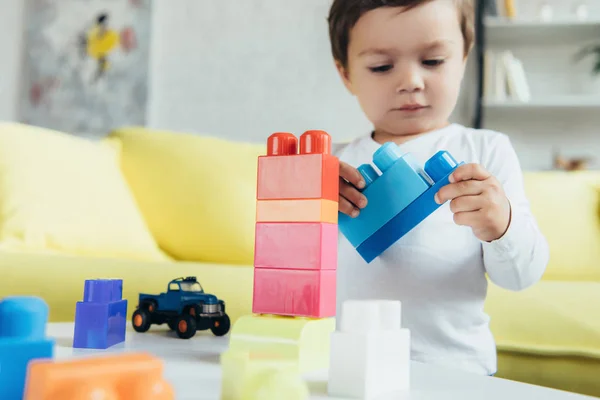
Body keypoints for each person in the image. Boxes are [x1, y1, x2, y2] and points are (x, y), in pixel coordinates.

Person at [327, 0, 549, 376]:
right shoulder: (334, 166)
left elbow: (520, 276)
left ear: (464, 57)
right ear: (346, 74)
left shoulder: (486, 152)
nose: (411, 81)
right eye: (382, 67)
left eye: (432, 61)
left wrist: (502, 225)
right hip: (350, 366)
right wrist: (304, 209)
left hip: (456, 368)